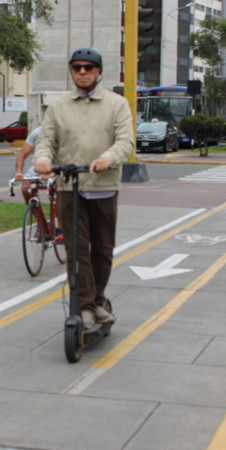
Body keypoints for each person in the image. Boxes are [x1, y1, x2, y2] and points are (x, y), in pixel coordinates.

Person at [34, 47, 134, 329]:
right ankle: (86, 306)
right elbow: (46, 141)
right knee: (77, 250)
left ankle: (98, 299)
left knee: (102, 249)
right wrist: (42, 160)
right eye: (77, 67)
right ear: (71, 71)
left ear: (99, 72)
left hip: (104, 186)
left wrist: (108, 158)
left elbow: (126, 141)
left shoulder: (116, 104)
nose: (82, 72)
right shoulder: (58, 106)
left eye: (88, 67)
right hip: (70, 187)